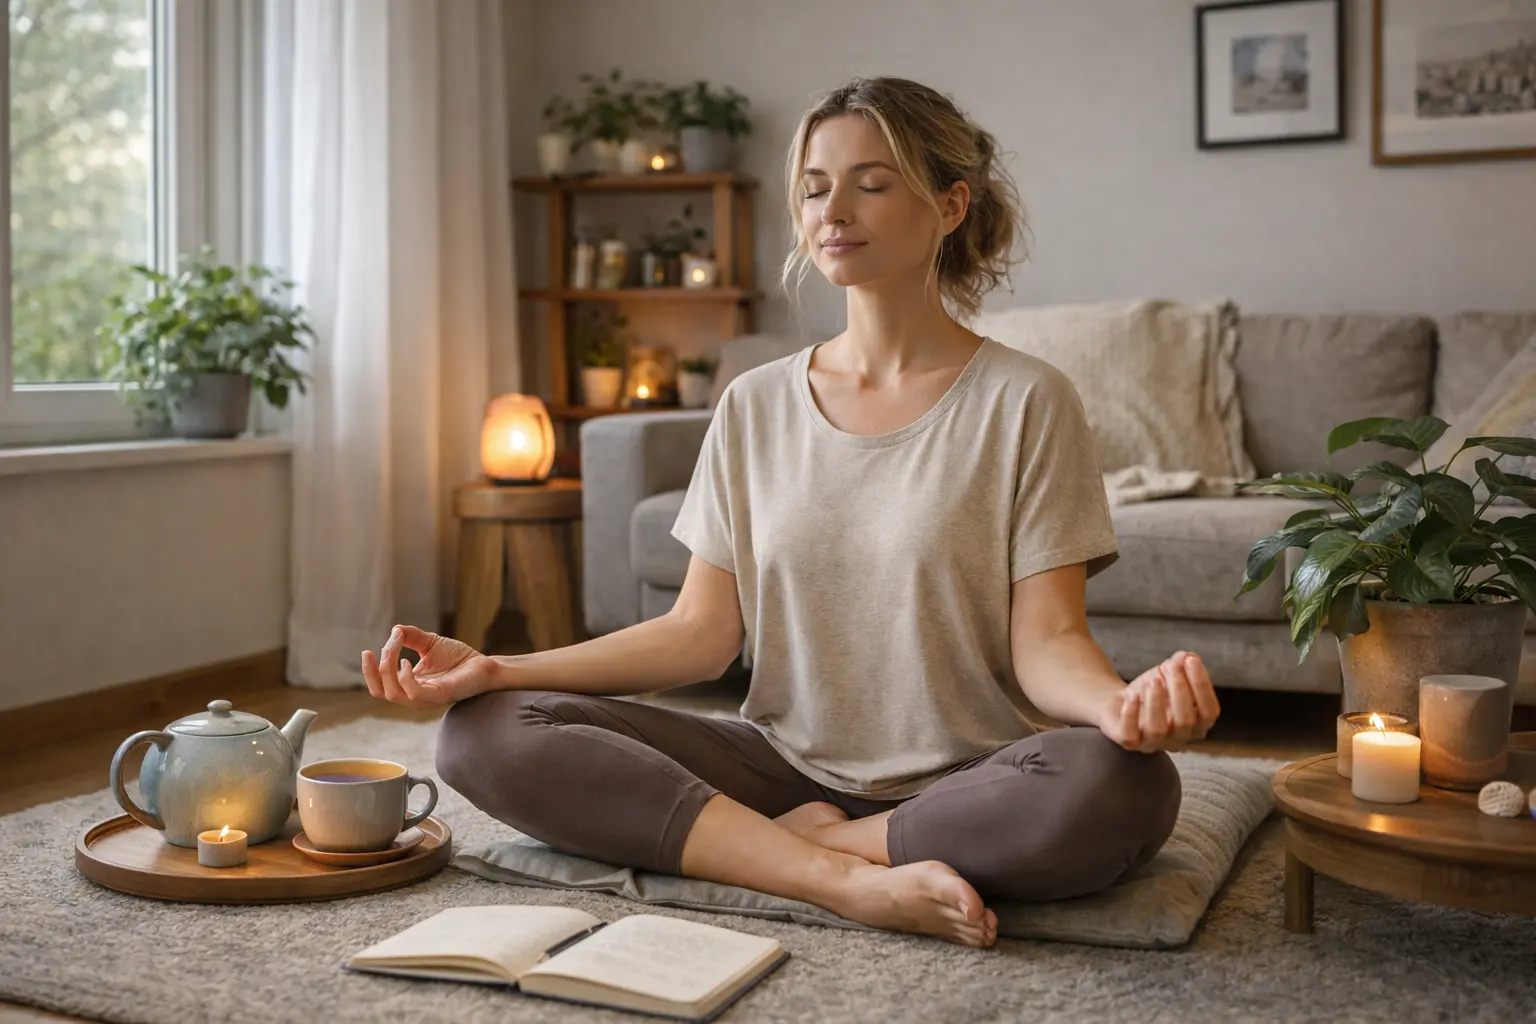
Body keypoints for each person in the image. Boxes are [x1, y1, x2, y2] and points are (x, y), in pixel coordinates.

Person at [363, 76, 1219, 949]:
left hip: (971, 778)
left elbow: (1048, 644)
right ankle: (833, 879)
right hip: (779, 767)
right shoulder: (754, 404)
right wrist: (500, 670)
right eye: (814, 186)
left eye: (872, 183)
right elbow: (698, 635)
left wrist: (1118, 708)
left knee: (1127, 786)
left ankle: (832, 846)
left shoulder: (1028, 401)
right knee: (481, 736)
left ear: (951, 205)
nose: (832, 209)